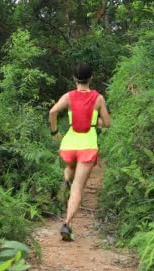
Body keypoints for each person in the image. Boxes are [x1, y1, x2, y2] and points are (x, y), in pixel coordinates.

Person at [49, 63, 111, 241]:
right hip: (87, 145)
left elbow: (52, 112)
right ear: (91, 78)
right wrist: (94, 122)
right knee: (78, 187)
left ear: (74, 78)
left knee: (70, 170)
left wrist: (55, 133)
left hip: (69, 143)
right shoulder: (98, 98)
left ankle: (65, 180)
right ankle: (67, 224)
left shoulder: (68, 96)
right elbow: (107, 123)